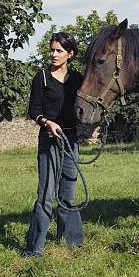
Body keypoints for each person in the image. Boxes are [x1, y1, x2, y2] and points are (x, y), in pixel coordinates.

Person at [24, 32, 84, 256]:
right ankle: (35, 248)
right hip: (49, 139)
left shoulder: (78, 79)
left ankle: (72, 242)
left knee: (68, 193)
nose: (54, 54)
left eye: (59, 50)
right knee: (46, 195)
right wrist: (46, 122)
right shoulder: (42, 77)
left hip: (71, 140)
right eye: (52, 50)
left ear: (70, 54)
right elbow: (33, 110)